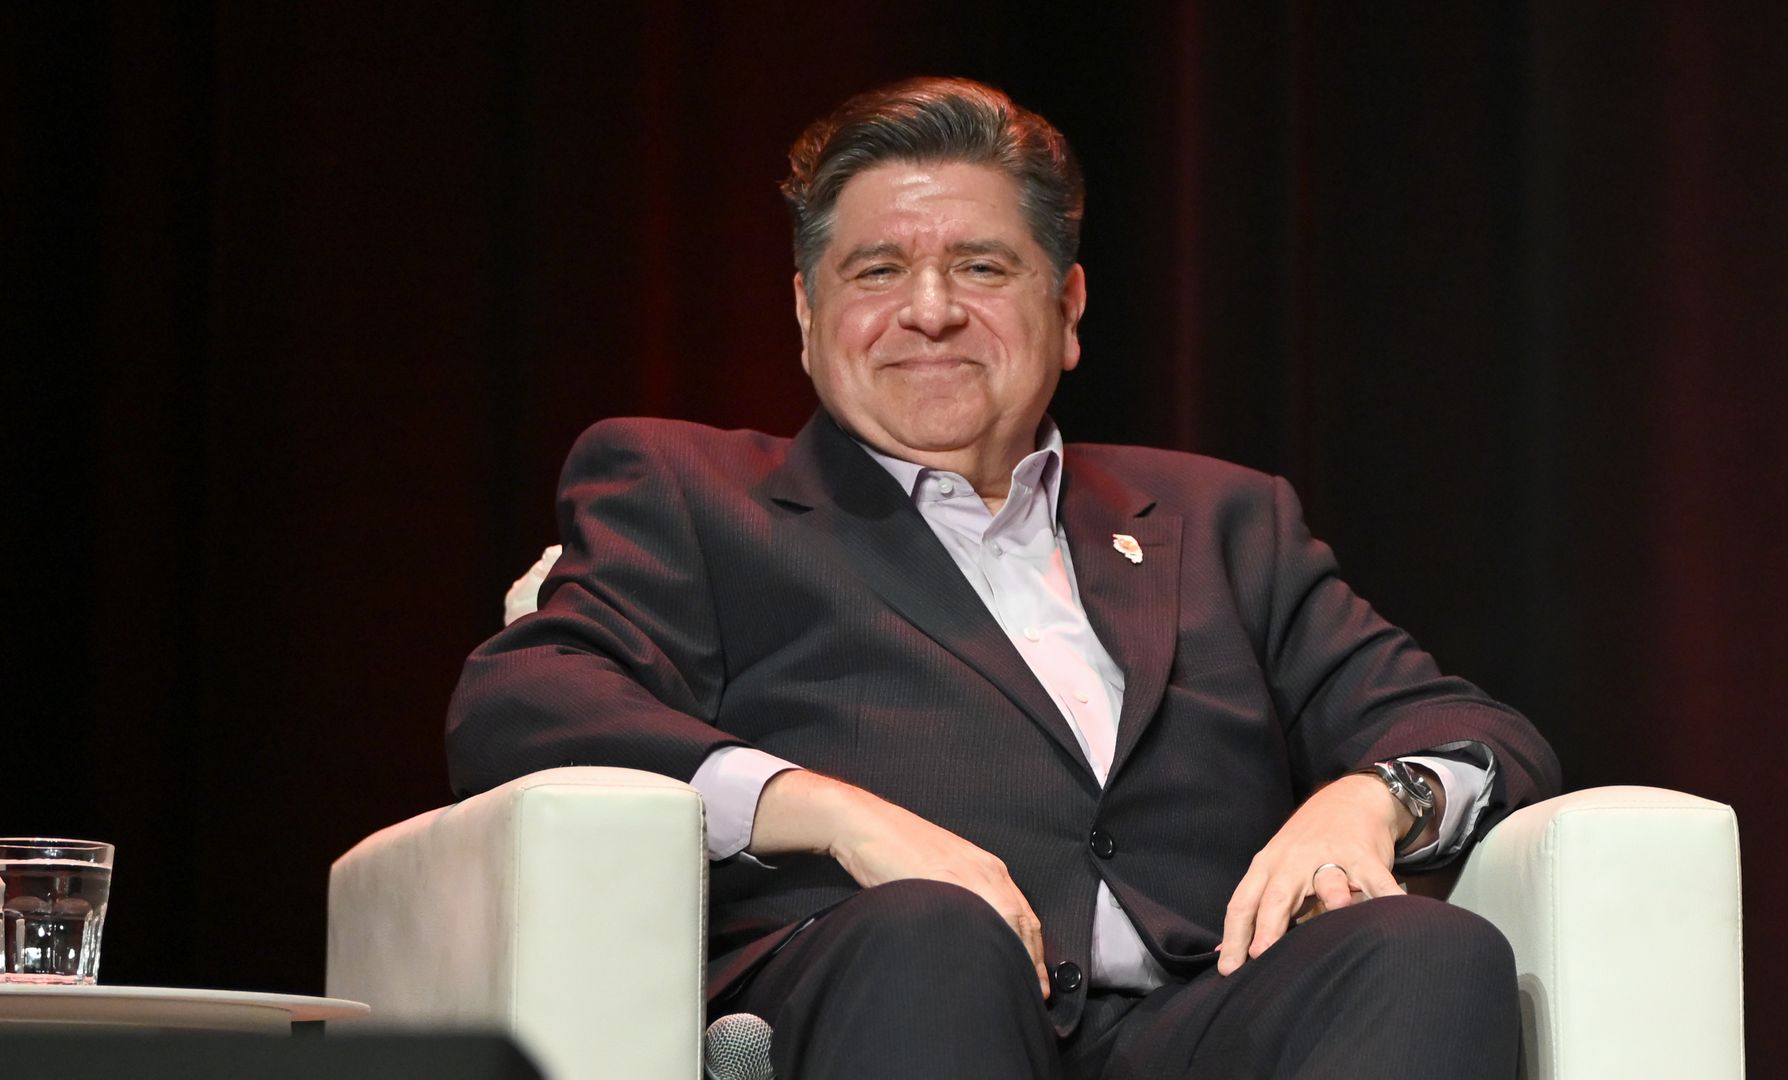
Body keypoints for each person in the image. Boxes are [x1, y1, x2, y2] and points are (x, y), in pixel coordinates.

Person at [447, 76, 1560, 1079]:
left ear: (1068, 311)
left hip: (1199, 1018)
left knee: (1428, 950)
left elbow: (1472, 729)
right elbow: (528, 702)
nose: (930, 309)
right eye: (878, 271)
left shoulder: (1224, 519)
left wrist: (1375, 799)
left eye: (981, 267)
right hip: (896, 994)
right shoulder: (694, 493)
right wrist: (835, 816)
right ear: (805, 315)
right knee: (931, 929)